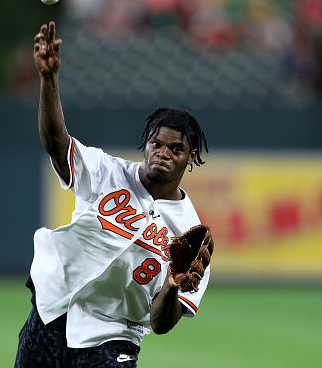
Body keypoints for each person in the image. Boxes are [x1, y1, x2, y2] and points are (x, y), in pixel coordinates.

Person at [14, 21, 211, 367]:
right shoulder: (107, 171)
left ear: (190, 156)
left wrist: (172, 285)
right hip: (52, 313)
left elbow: (161, 323)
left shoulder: (190, 236)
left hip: (112, 337)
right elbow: (57, 146)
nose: (163, 153)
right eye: (156, 143)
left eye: (175, 148)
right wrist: (49, 79)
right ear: (145, 144)